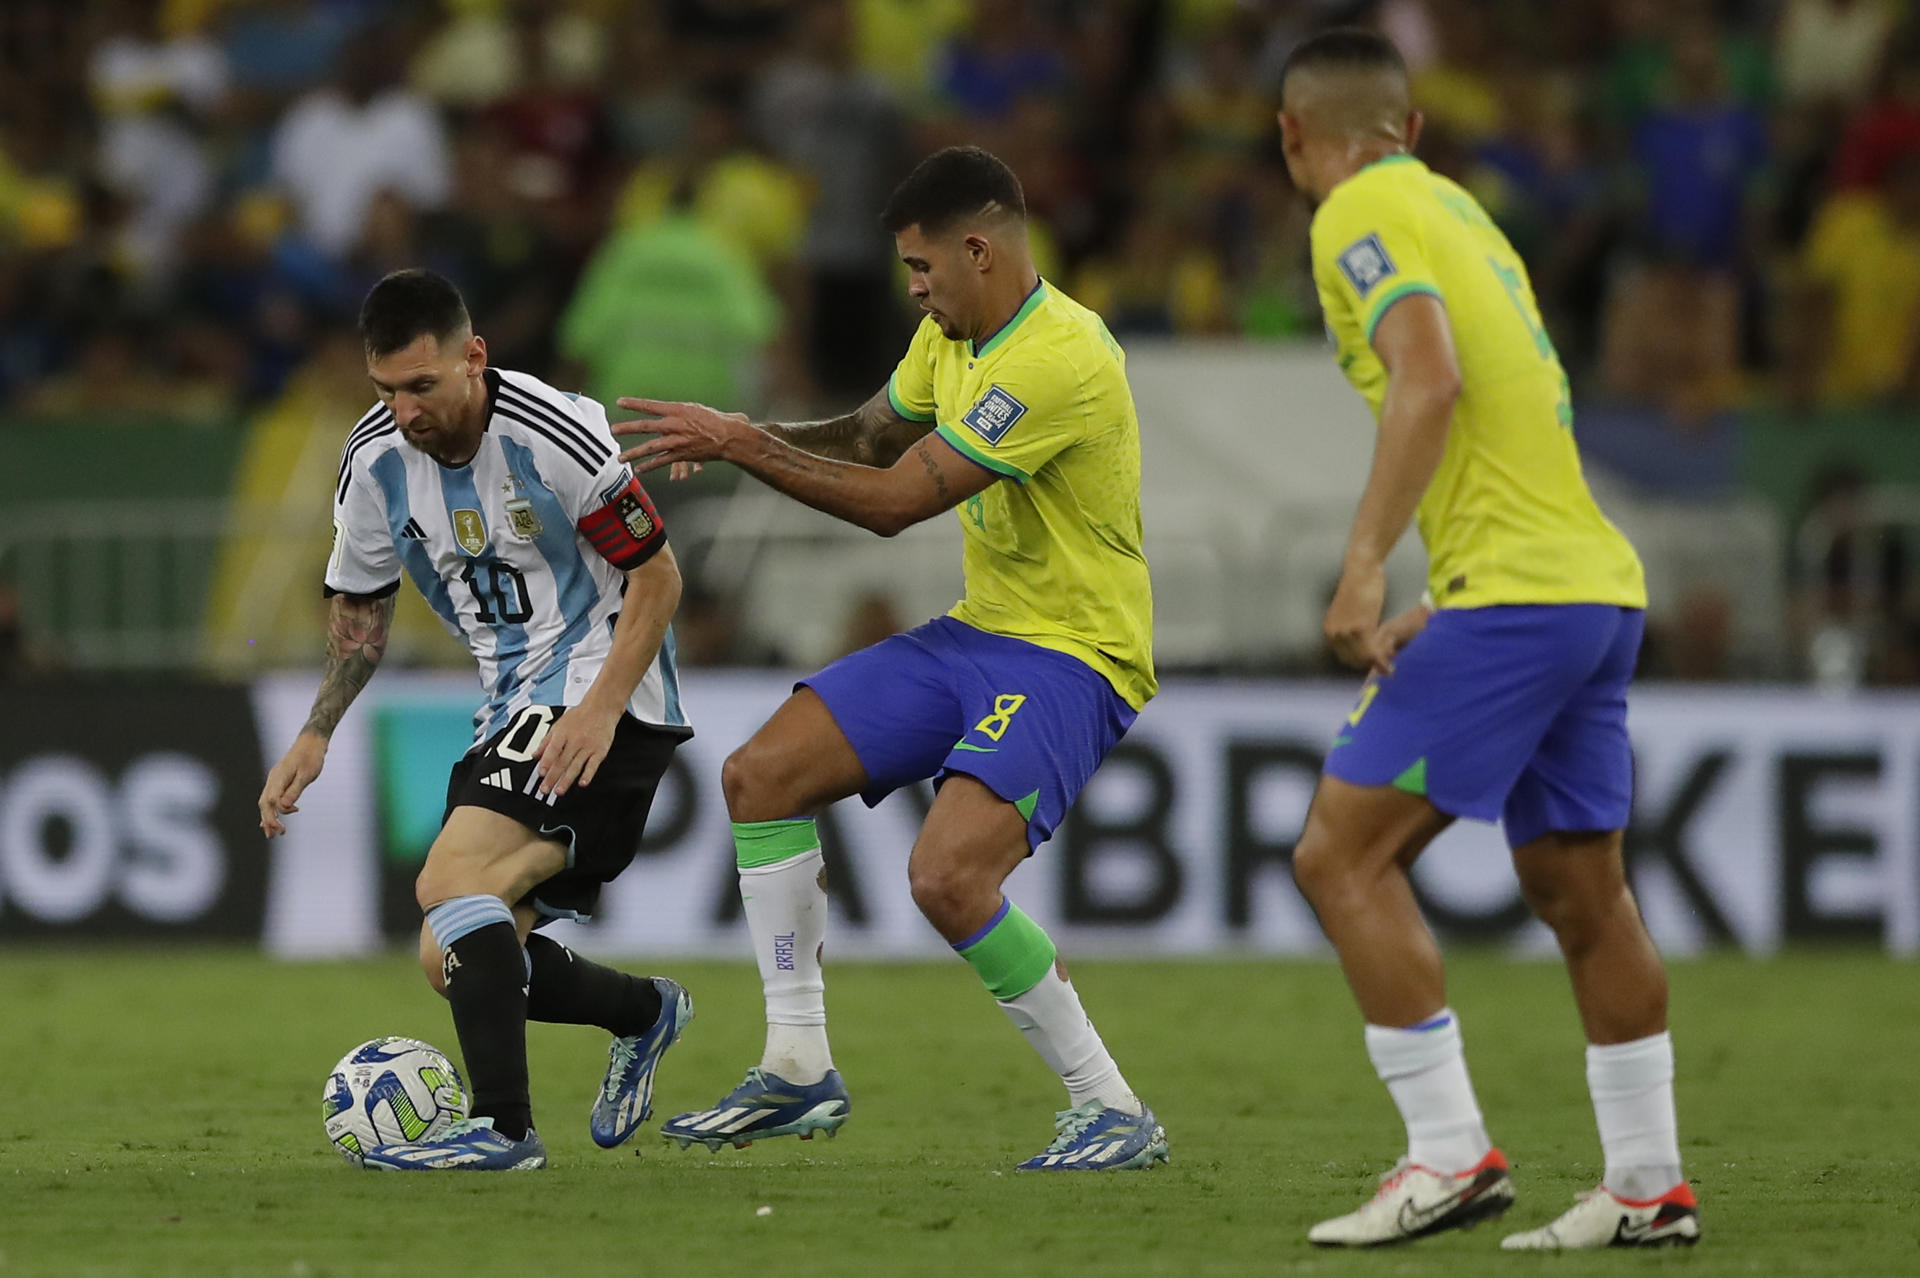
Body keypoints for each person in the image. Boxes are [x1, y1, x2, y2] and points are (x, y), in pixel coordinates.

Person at [612, 146, 1167, 1172]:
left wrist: (741, 446)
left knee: (948, 876)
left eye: (922, 270)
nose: (912, 291)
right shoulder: (950, 338)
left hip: (1073, 653)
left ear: (978, 249)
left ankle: (1112, 1107)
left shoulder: (1059, 357)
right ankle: (796, 1067)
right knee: (761, 776)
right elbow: (870, 439)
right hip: (980, 631)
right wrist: (748, 433)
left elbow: (898, 504)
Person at [1275, 30, 1699, 1249]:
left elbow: (1431, 378)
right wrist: (1448, 591)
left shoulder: (1352, 212)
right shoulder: (1462, 214)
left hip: (1521, 595)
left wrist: (1363, 569)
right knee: (1580, 888)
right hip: (1589, 589)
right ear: (1412, 128)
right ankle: (1647, 1186)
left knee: (1336, 857)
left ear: (1296, 137)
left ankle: (1448, 1156)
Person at [257, 269, 695, 1171]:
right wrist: (315, 731)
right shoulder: (375, 462)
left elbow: (658, 577)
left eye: (423, 386)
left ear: (474, 358)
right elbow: (361, 611)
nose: (405, 411)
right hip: (507, 704)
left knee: (452, 878)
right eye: (386, 390)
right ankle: (646, 1013)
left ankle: (503, 1132)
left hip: (603, 689)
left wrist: (601, 711)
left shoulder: (551, 434)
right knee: (449, 953)